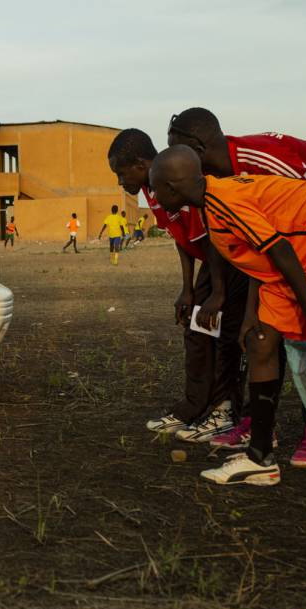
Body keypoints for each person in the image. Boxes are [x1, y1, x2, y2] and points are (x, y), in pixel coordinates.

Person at [150, 145, 306, 505]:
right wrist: (251, 316)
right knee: (261, 341)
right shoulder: (212, 200)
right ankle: (260, 458)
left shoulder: (223, 200)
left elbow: (280, 251)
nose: (152, 196)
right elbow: (263, 253)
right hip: (293, 254)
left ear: (171, 186)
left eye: (155, 188)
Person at [167, 107, 306, 465]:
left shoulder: (260, 159)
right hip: (284, 246)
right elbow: (263, 252)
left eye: (178, 151)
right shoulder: (217, 190)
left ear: (197, 149)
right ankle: (260, 435)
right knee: (263, 334)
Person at [108, 128, 245, 441]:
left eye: (120, 173)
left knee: (222, 333)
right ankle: (194, 407)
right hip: (211, 265)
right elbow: (183, 238)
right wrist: (187, 289)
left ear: (141, 164)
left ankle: (226, 410)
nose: (120, 182)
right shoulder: (151, 189)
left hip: (228, 259)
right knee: (197, 330)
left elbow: (211, 239)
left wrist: (218, 293)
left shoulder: (173, 178)